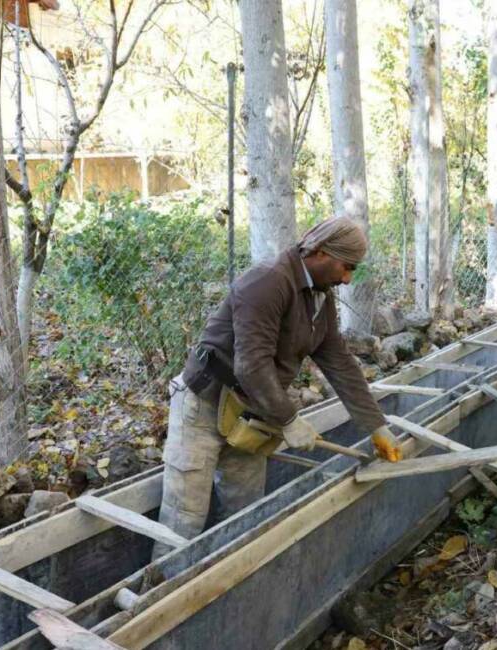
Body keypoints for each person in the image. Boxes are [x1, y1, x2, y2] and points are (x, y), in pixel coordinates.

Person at [158, 218, 402, 542]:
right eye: (346, 267)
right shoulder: (267, 282)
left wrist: (376, 426)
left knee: (244, 516)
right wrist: (289, 420)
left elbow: (339, 361)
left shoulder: (319, 295)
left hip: (252, 413)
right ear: (319, 252)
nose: (347, 278)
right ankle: (163, 587)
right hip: (204, 406)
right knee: (182, 523)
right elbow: (252, 365)